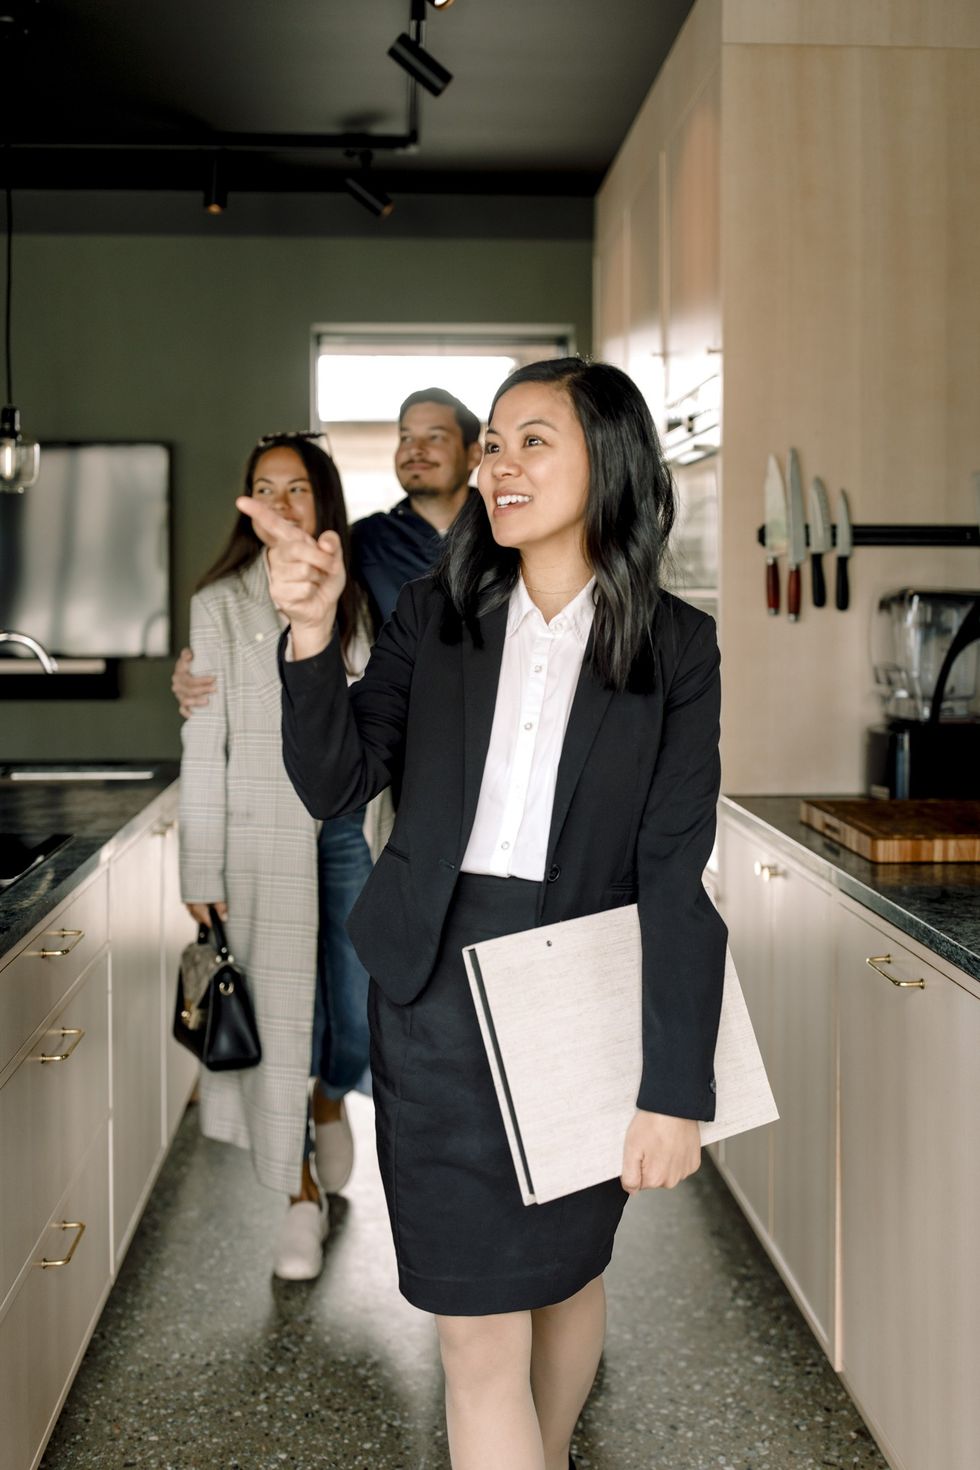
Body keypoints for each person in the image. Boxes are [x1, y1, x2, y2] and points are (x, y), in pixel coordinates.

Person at [242, 357, 728, 1470]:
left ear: (607, 460)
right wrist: (312, 635)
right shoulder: (431, 615)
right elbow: (335, 781)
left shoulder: (675, 646)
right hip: (435, 999)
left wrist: (672, 1089)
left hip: (582, 1007)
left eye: (531, 440)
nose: (496, 465)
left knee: (566, 1281)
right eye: (492, 443)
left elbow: (672, 872)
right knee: (472, 1336)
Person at [178, 432, 374, 1281]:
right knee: (281, 1021)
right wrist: (200, 868)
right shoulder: (219, 605)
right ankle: (299, 1197)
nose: (285, 503)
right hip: (260, 841)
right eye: (267, 487)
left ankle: (333, 1101)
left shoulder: (362, 592)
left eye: (300, 488)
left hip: (354, 832)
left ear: (324, 501)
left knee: (358, 1006)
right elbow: (204, 740)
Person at [170, 387, 481, 715]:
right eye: (405, 437)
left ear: (474, 454)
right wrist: (197, 673)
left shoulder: (507, 534)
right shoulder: (361, 540)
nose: (415, 450)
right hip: (404, 727)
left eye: (435, 437)